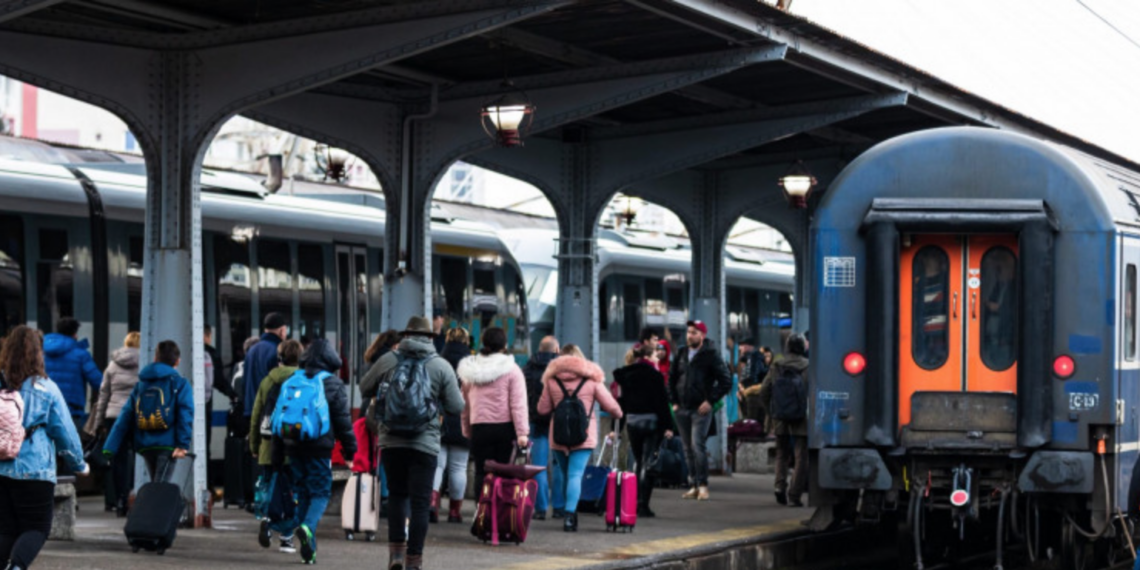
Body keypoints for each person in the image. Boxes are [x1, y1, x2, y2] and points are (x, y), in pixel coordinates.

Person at [360, 316, 464, 570]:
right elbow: (456, 406)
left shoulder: (388, 359)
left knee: (397, 496)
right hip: (424, 443)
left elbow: (364, 388)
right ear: (429, 337)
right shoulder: (440, 365)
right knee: (419, 503)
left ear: (406, 335)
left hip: (392, 441)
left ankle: (396, 554)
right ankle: (414, 560)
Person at [0, 326, 90, 570]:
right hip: (34, 470)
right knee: (36, 528)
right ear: (38, 353)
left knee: (6, 529)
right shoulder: (45, 388)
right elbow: (65, 432)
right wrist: (79, 464)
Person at [278, 338, 356, 565]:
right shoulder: (332, 383)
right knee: (320, 493)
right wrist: (351, 450)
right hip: (319, 448)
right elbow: (343, 422)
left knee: (302, 493)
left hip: (293, 446)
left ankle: (309, 551)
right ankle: (307, 527)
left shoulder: (294, 379)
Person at [538, 351, 622, 532]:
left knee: (565, 474)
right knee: (575, 475)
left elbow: (542, 409)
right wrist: (618, 414)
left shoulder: (551, 381)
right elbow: (611, 406)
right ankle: (570, 516)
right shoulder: (592, 381)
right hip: (584, 435)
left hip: (559, 435)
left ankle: (568, 511)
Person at [103, 340, 194, 483]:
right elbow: (185, 414)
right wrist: (182, 445)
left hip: (146, 445)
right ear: (177, 361)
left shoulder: (141, 385)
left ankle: (157, 504)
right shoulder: (180, 383)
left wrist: (110, 446)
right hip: (167, 444)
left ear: (155, 358)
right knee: (160, 487)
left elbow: (125, 416)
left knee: (156, 484)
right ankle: (159, 505)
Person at [458, 327, 529, 502]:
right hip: (505, 428)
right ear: (504, 345)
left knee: (481, 472)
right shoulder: (512, 370)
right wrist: (522, 433)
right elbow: (518, 404)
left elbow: (465, 405)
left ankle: (482, 514)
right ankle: (500, 513)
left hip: (479, 427)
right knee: (504, 471)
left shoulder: (470, 371)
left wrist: (467, 430)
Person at [668, 320, 731, 502]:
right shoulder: (681, 353)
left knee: (698, 446)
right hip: (682, 409)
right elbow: (671, 379)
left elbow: (725, 380)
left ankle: (703, 485)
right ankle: (693, 484)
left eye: (694, 332)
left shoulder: (711, 355)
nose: (690, 335)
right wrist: (674, 402)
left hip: (700, 410)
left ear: (702, 335)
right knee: (687, 448)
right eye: (688, 332)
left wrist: (710, 401)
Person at [249, 339, 302, 553]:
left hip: (268, 447)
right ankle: (287, 538)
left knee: (268, 487)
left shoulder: (267, 381)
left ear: (279, 358)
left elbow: (256, 416)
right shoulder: (303, 380)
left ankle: (266, 519)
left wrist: (254, 445)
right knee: (291, 493)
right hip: (294, 449)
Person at [613, 343, 674, 518]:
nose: (658, 357)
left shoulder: (625, 375)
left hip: (633, 422)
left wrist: (616, 427)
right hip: (652, 422)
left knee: (639, 460)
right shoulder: (654, 376)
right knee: (649, 463)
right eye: (655, 355)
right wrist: (668, 426)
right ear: (648, 357)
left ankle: (632, 502)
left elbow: (621, 402)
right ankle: (642, 505)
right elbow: (662, 403)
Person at [85, 331, 140, 516]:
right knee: (141, 457)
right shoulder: (146, 364)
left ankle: (121, 499)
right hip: (137, 416)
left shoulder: (112, 366)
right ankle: (137, 497)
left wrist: (99, 422)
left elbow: (103, 396)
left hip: (114, 416)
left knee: (118, 460)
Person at [752, 333, 809, 507]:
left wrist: (771, 410)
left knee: (781, 453)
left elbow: (764, 391)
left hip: (780, 415)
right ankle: (794, 495)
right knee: (801, 456)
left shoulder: (777, 365)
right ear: (803, 348)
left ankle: (779, 487)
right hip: (802, 416)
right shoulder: (808, 366)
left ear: (787, 347)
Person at [435, 327, 472, 524]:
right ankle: (455, 512)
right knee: (459, 467)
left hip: (439, 420)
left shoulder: (438, 361)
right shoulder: (472, 365)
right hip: (462, 420)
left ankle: (432, 506)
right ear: (467, 341)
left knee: (438, 466)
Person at [522, 335, 559, 520]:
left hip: (536, 422)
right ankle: (560, 507)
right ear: (556, 350)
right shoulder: (560, 370)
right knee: (560, 466)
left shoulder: (528, 368)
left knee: (538, 466)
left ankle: (541, 508)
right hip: (559, 423)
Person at [42, 317, 103, 426]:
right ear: (74, 333)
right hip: (71, 409)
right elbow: (98, 382)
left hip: (45, 406)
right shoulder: (81, 354)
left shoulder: (42, 352)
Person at [242, 313, 288, 419]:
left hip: (250, 410)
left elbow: (245, 382)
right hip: (268, 412)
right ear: (281, 331)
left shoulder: (251, 350)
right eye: (286, 330)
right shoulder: (277, 351)